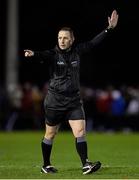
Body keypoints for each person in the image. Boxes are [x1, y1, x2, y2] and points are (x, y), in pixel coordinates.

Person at [24, 10, 118, 175]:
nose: (62, 40)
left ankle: (86, 164)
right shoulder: (53, 55)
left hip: (73, 100)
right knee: (50, 134)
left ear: (72, 39)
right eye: (60, 37)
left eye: (65, 37)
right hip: (54, 101)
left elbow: (94, 43)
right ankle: (46, 165)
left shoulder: (78, 51)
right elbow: (42, 55)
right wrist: (33, 54)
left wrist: (108, 29)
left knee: (80, 131)